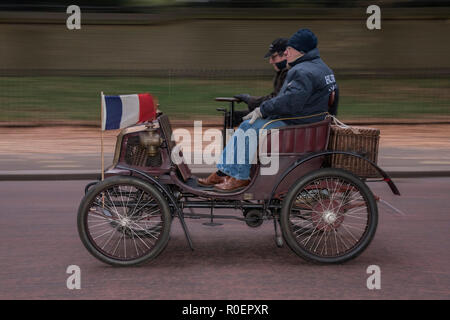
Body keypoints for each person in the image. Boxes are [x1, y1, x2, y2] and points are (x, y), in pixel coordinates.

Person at [198, 28, 337, 192]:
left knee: (248, 129)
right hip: (310, 122)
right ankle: (226, 172)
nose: (286, 52)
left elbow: (289, 102)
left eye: (289, 49)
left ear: (301, 51)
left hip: (298, 124)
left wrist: (262, 109)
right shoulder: (321, 68)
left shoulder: (302, 71)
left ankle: (239, 177)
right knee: (247, 126)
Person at [231, 38, 289, 126]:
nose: (270, 61)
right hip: (282, 116)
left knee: (245, 124)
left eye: (273, 57)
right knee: (234, 116)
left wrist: (250, 100)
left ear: (285, 54)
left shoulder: (289, 73)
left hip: (287, 120)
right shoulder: (282, 73)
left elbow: (276, 100)